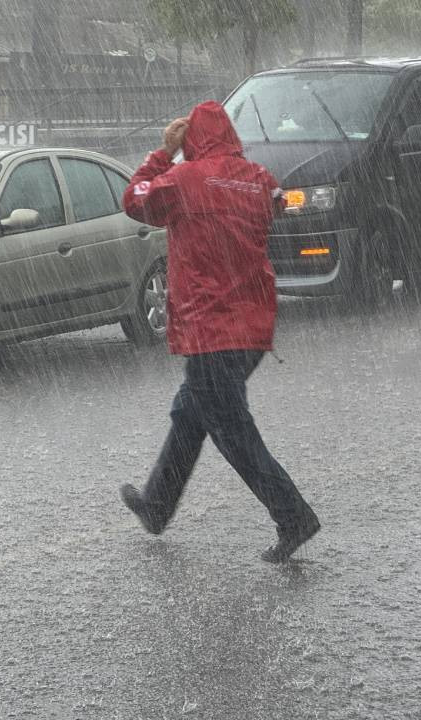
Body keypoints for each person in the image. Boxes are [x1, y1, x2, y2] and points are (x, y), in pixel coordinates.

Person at [119, 101, 320, 563]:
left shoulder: (184, 181)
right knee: (191, 414)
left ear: (191, 138)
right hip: (251, 327)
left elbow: (135, 199)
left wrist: (163, 153)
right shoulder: (257, 179)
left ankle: (293, 516)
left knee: (233, 433)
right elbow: (279, 206)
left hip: (210, 328)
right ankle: (156, 504)